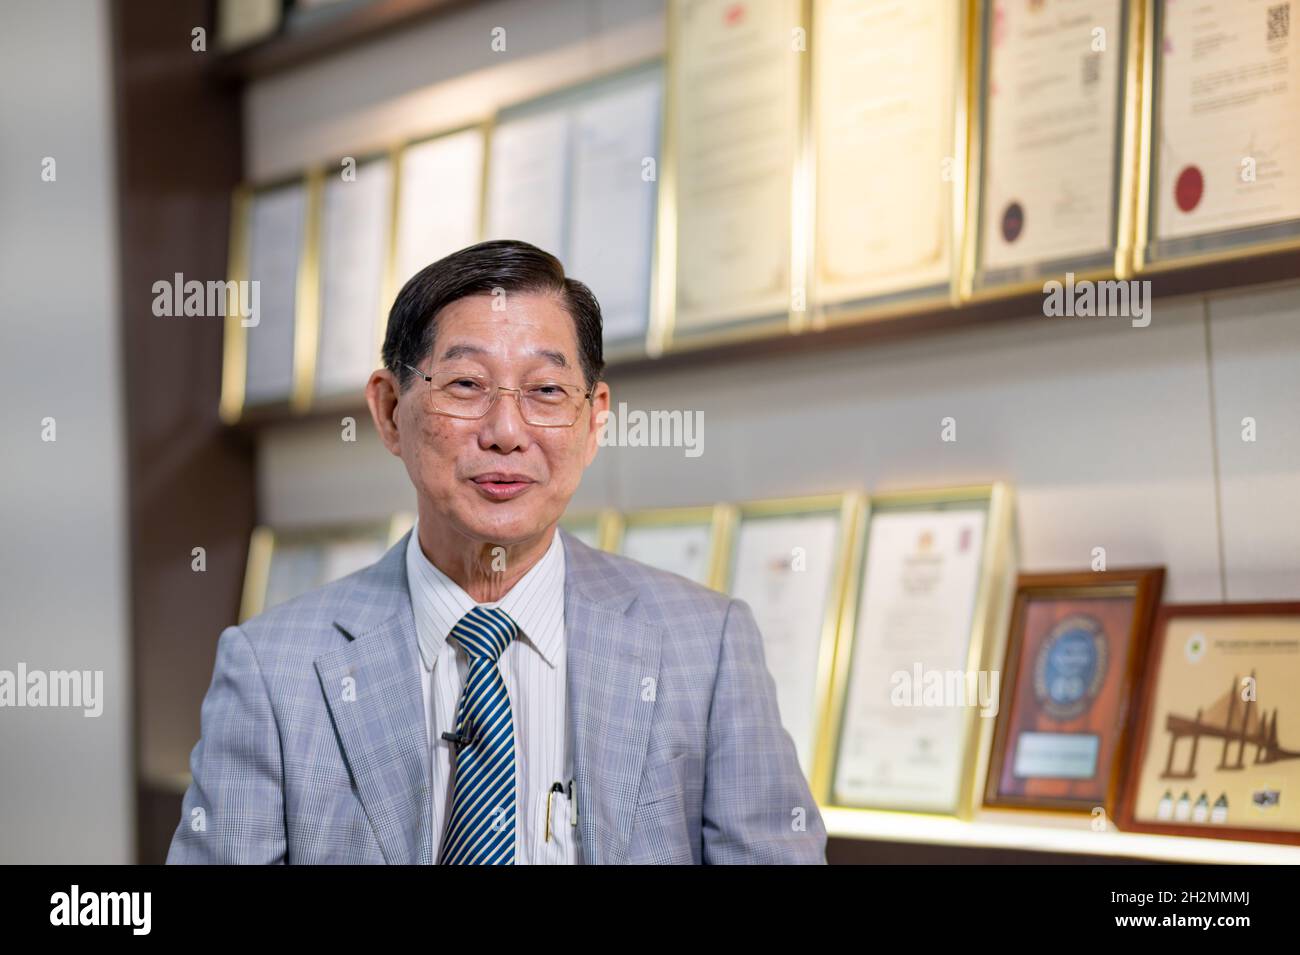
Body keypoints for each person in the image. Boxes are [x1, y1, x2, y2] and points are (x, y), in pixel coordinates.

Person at [167, 239, 827, 864]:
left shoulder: (705, 648)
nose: (506, 432)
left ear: (595, 419)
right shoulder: (271, 670)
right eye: (465, 385)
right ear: (391, 409)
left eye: (545, 391)